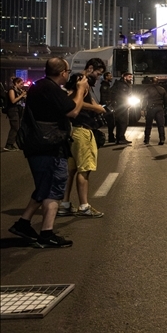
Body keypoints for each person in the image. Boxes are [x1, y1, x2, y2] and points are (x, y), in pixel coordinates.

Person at [8, 57, 89, 248]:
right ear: (62, 73)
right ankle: (47, 233)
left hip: (37, 144)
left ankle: (23, 224)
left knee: (44, 186)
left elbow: (62, 105)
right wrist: (80, 90)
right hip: (49, 146)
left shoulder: (40, 86)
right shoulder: (51, 88)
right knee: (53, 188)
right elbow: (72, 112)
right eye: (68, 72)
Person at [58, 59, 108, 219]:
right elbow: (73, 102)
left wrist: (96, 106)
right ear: (90, 68)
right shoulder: (82, 81)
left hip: (72, 130)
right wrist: (96, 108)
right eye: (98, 73)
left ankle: (65, 204)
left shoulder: (77, 80)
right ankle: (84, 206)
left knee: (71, 170)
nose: (99, 77)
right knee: (84, 170)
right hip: (82, 130)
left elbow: (83, 100)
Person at [107, 71, 135, 145]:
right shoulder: (122, 85)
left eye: (131, 77)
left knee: (120, 122)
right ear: (124, 77)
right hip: (122, 105)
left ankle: (119, 138)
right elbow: (123, 95)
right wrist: (126, 103)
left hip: (120, 105)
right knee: (123, 122)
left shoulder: (121, 84)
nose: (131, 78)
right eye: (129, 77)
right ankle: (121, 138)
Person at [141, 77, 167, 145]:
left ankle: (146, 139)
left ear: (151, 82)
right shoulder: (162, 89)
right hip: (159, 107)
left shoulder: (148, 89)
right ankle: (162, 139)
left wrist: (143, 108)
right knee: (161, 125)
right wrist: (165, 107)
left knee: (148, 124)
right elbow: (166, 99)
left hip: (151, 108)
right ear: (158, 82)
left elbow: (144, 100)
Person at [4, 77, 27, 151]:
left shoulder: (19, 90)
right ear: (16, 83)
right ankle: (8, 145)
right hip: (13, 110)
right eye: (21, 84)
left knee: (17, 127)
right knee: (15, 127)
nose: (22, 85)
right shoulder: (11, 90)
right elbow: (13, 101)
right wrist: (21, 95)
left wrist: (24, 96)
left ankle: (12, 144)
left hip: (19, 110)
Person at [99, 71, 115, 143]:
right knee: (111, 122)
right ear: (106, 77)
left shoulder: (107, 85)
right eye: (110, 76)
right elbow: (104, 97)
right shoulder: (104, 86)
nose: (111, 77)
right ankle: (111, 137)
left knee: (111, 122)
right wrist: (107, 105)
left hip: (108, 105)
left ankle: (111, 136)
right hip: (107, 106)